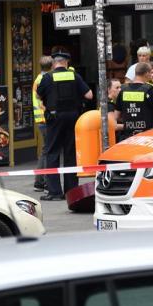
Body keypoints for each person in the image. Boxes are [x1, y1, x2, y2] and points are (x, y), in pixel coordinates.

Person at [36, 50, 93, 201]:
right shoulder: (74, 75)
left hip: (54, 118)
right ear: (67, 62)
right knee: (70, 152)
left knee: (52, 152)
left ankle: (55, 192)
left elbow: (38, 95)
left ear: (54, 63)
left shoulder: (47, 77)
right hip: (73, 117)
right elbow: (89, 95)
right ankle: (71, 189)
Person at [116, 62, 153, 142]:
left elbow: (116, 116)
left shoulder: (123, 90)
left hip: (127, 137)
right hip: (147, 137)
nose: (151, 75)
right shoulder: (151, 90)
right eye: (150, 73)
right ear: (146, 73)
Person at [31, 55, 53, 191]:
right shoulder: (44, 80)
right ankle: (42, 181)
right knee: (47, 151)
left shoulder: (38, 79)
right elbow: (44, 101)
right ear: (51, 66)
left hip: (40, 119)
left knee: (45, 150)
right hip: (45, 119)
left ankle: (40, 181)